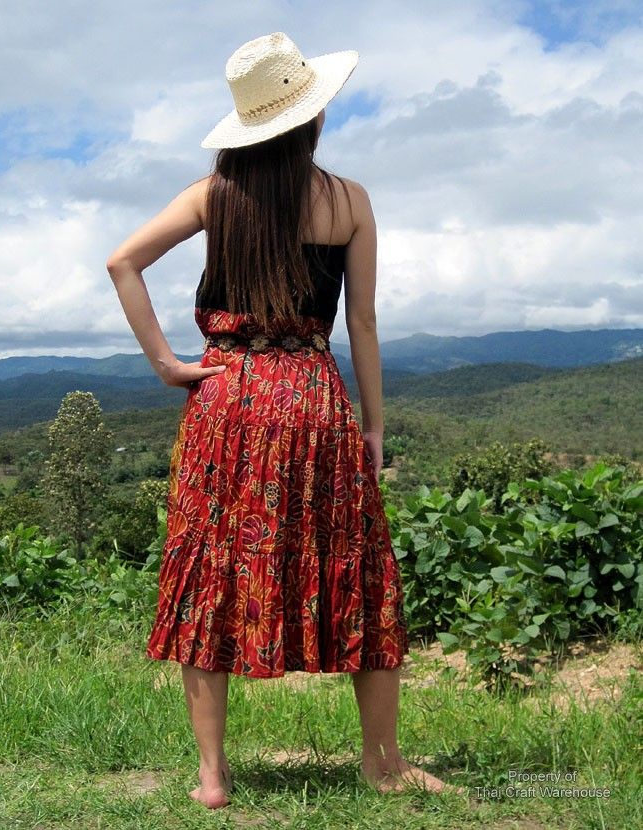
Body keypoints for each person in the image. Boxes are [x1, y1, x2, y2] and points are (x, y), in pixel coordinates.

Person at [106, 31, 455, 810]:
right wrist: (372, 424)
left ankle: (212, 776)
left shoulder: (211, 195)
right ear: (313, 118)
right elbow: (361, 324)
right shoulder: (350, 202)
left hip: (227, 397)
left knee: (212, 572)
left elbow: (121, 261)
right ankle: (382, 762)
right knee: (360, 569)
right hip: (312, 400)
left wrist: (166, 364)